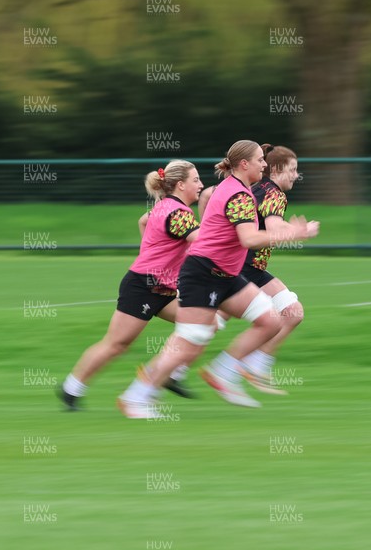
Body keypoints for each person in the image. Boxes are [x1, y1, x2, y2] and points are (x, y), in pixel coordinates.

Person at [118, 140, 319, 418]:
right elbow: (248, 239)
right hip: (204, 274)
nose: (265, 165)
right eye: (260, 160)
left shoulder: (233, 188)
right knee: (189, 345)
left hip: (225, 274)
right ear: (244, 164)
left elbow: (208, 198)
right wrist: (293, 233)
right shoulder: (239, 195)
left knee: (271, 319)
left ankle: (222, 372)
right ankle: (136, 396)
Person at [58, 160, 203, 410]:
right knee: (116, 344)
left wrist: (152, 252)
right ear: (181, 185)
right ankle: (71, 389)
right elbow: (202, 242)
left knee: (201, 323)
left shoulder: (165, 206)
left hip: (162, 287)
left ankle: (168, 374)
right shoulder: (179, 213)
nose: (201, 185)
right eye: (196, 180)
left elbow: (143, 221)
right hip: (144, 286)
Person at [205, 144, 313, 396]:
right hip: (246, 265)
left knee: (209, 322)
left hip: (240, 263)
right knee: (289, 313)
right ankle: (238, 367)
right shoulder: (274, 193)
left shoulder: (254, 187)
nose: (296, 175)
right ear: (276, 169)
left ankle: (171, 373)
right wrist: (299, 231)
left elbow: (209, 196)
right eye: (293, 169)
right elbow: (273, 227)